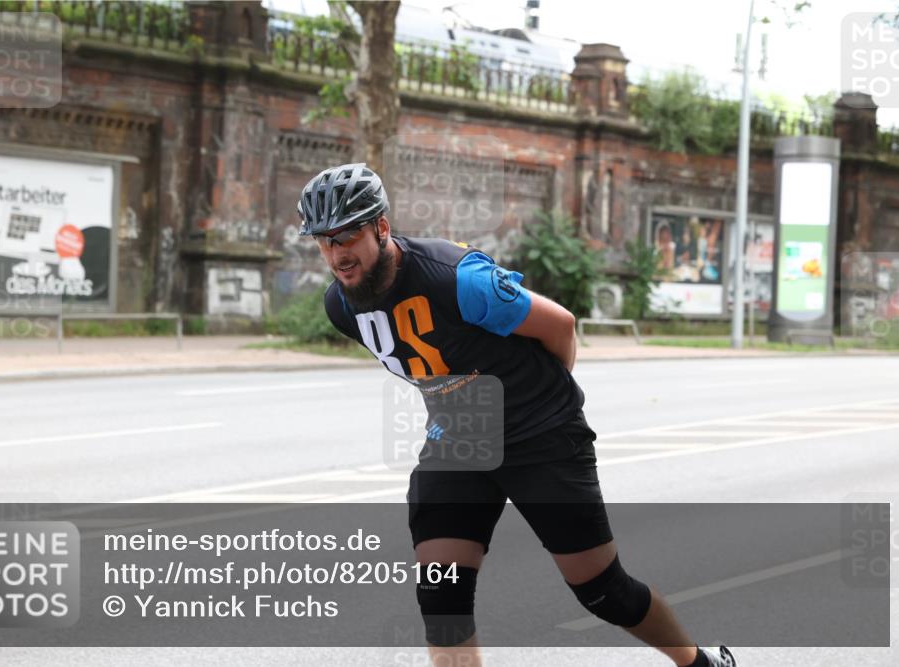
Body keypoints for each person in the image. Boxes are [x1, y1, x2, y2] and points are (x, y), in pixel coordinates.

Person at [297, 163, 737, 667]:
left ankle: (699, 663)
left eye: (346, 236)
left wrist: (543, 407)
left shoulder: (459, 279)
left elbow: (561, 327)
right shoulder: (342, 307)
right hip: (458, 442)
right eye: (323, 241)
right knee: (442, 601)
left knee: (603, 592)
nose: (336, 254)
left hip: (541, 435)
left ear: (380, 226)